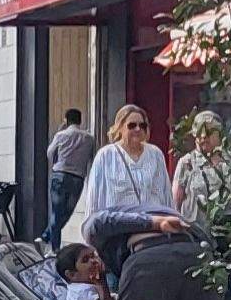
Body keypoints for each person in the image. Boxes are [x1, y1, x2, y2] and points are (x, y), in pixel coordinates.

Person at [71, 105, 181, 257]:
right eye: (132, 125)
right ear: (120, 128)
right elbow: (94, 202)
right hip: (118, 233)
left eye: (142, 125)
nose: (137, 129)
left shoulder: (155, 154)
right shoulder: (105, 156)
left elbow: (166, 195)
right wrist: (94, 244)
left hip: (152, 234)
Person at [171, 111, 230, 229]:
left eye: (209, 132)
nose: (203, 136)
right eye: (199, 132)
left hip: (229, 233)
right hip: (195, 234)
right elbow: (175, 204)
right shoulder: (186, 163)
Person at [42, 108, 93, 241]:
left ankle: (52, 245)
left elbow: (50, 152)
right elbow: (92, 157)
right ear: (80, 120)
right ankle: (48, 236)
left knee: (56, 212)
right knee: (67, 212)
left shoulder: (61, 135)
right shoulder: (89, 138)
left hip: (60, 174)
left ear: (66, 120)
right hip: (78, 177)